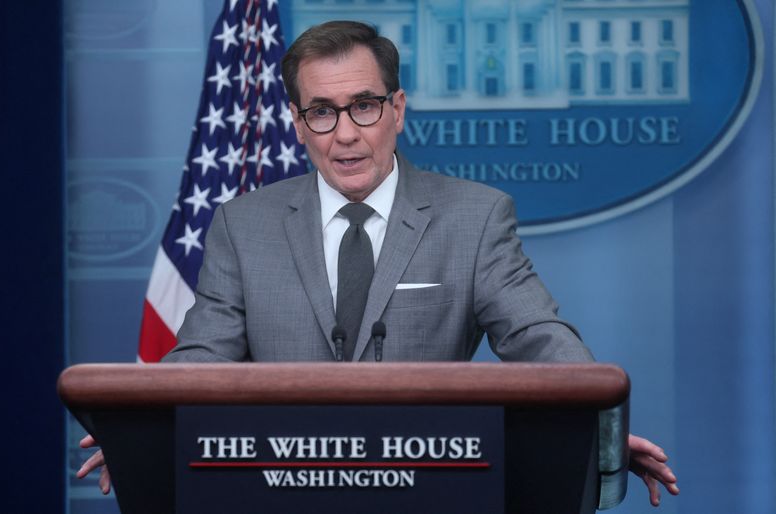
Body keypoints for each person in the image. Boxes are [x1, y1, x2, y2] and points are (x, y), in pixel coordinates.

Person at [79, 20, 678, 506]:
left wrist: (595, 428)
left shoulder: (474, 216)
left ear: (397, 108)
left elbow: (537, 334)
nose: (345, 134)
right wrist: (148, 431)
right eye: (322, 111)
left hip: (433, 485)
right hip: (278, 489)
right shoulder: (244, 224)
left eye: (363, 106)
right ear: (297, 122)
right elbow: (204, 354)